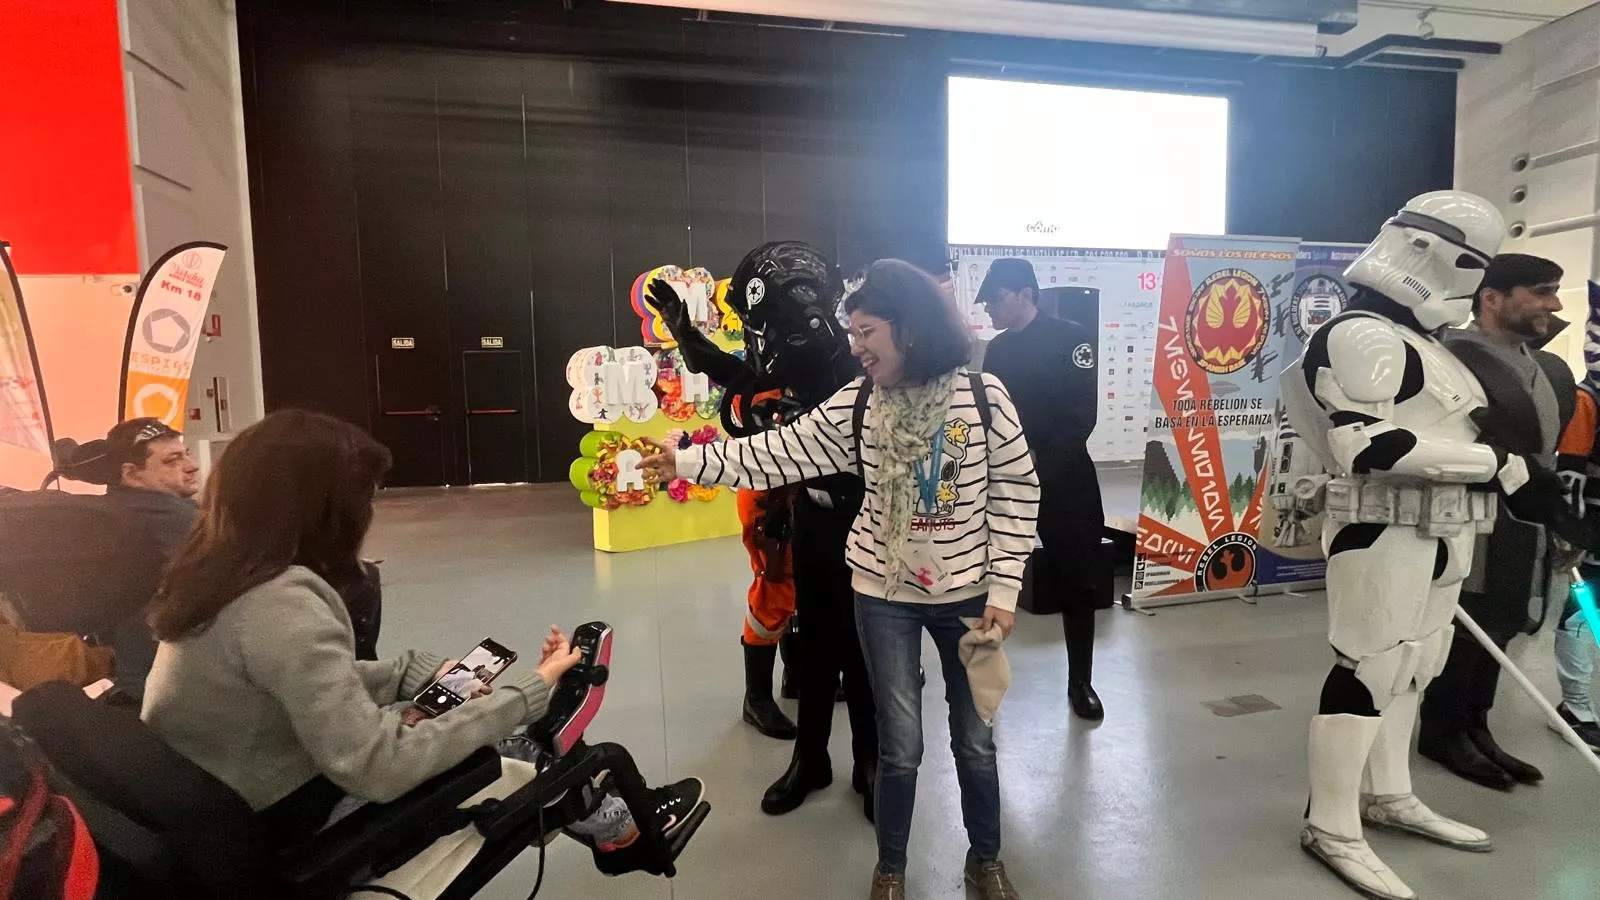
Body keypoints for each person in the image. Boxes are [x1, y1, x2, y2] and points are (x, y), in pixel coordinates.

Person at [645, 259, 1040, 900]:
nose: (854, 346)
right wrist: (690, 460)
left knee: (975, 744)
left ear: (907, 330)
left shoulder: (984, 398)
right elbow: (776, 452)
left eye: (867, 332)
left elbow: (1018, 494)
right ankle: (890, 870)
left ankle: (984, 860)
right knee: (899, 746)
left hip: (967, 598)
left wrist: (1003, 591)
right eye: (851, 332)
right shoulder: (857, 406)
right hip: (883, 596)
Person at [140, 410, 701, 844]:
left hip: (247, 789)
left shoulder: (219, 571)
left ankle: (573, 764)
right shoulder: (278, 602)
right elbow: (379, 767)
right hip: (294, 814)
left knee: (467, 716)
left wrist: (418, 675)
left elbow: (302, 682)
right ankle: (616, 822)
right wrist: (521, 693)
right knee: (504, 751)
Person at [1280, 192, 1584, 900]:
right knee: (1369, 666)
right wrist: (1499, 467)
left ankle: (1389, 793)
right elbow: (1365, 443)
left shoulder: (1421, 344)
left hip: (1445, 528)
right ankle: (1330, 822)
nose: (1475, 286)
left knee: (1418, 664)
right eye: (1473, 266)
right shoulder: (1364, 336)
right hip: (1381, 525)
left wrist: (1503, 473)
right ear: (1430, 253)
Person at [646, 241, 878, 818]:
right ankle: (812, 757)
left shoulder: (857, 366)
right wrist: (689, 338)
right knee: (821, 641)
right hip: (813, 518)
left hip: (867, 521)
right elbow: (741, 381)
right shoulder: (791, 362)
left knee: (865, 648)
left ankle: (871, 762)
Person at [1418, 253, 1573, 790]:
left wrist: (1560, 518)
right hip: (1468, 514)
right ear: (1492, 298)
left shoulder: (1543, 364)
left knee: (1504, 618)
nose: (1554, 304)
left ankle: (1475, 725)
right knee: (1466, 625)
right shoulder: (1448, 362)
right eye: (1541, 292)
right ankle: (1441, 730)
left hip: (1525, 518)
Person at [977, 258, 1107, 720]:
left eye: (996, 298)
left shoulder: (1071, 338)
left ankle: (1081, 682)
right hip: (1006, 483)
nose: (989, 307)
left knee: (1078, 581)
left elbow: (1080, 418)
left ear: (1024, 294)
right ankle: (985, 686)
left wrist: (1034, 469)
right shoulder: (997, 353)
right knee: (991, 585)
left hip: (1064, 477)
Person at [1550, 278, 1600, 751]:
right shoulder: (1588, 399)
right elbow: (1570, 472)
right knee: (1583, 615)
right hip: (1594, 530)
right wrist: (1571, 531)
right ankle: (1576, 705)